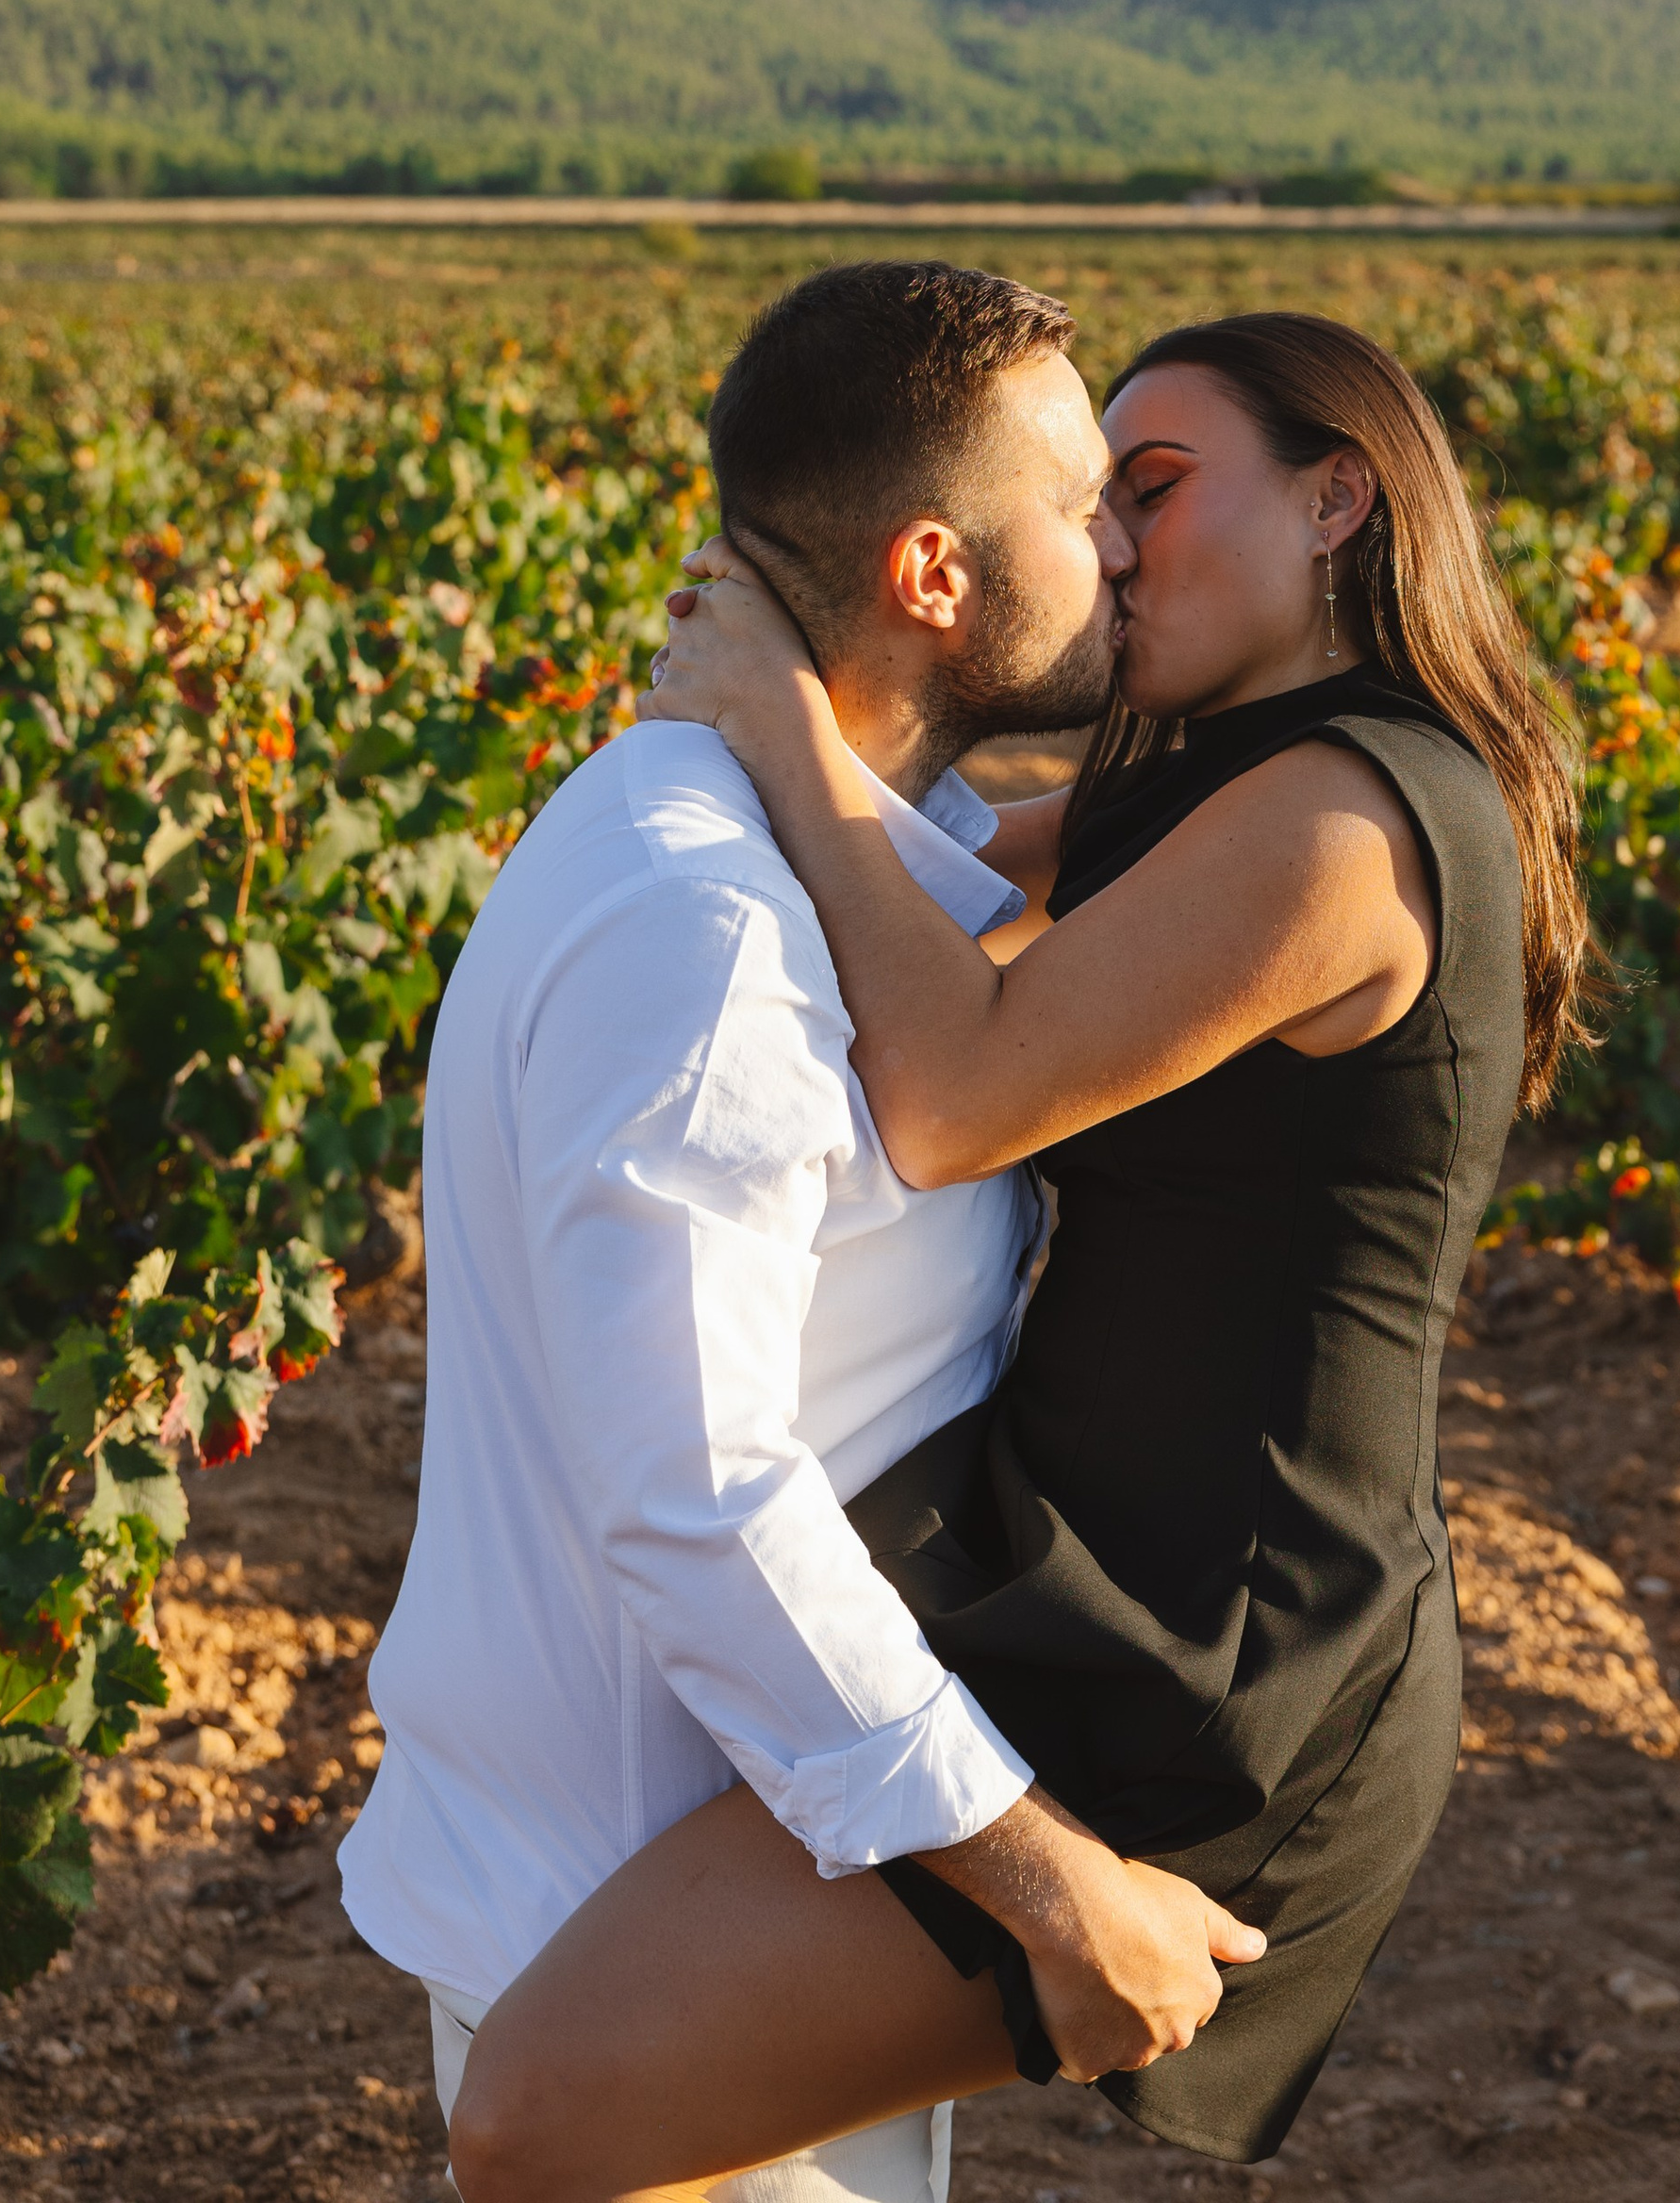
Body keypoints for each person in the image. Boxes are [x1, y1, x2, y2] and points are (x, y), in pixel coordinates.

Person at [449, 304, 1592, 2203]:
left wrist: (780, 724)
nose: (1118, 545)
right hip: (1078, 1560)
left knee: (548, 2110)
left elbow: (956, 1087)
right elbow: (934, 896)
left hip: (1213, 1646)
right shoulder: (1216, 777)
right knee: (655, 2128)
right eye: (1096, 499)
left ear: (1336, 501)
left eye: (1157, 487)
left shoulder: (1346, 818)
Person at [339, 263, 1261, 2203]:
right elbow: (698, 1491)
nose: (1122, 545)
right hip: (643, 1956)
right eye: (1081, 503)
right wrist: (1047, 1876)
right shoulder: (710, 933)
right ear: (932, 572)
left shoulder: (739, 854)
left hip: (763, 1876)